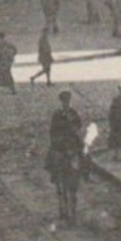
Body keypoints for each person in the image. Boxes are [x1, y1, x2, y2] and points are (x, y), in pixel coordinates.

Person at [46, 91, 84, 225]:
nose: (66, 103)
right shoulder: (57, 115)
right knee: (58, 174)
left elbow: (79, 126)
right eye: (64, 101)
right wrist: (60, 141)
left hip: (72, 148)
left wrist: (74, 132)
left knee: (83, 159)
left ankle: (72, 212)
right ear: (61, 102)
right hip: (61, 149)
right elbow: (53, 133)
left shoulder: (73, 113)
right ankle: (62, 208)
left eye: (68, 101)